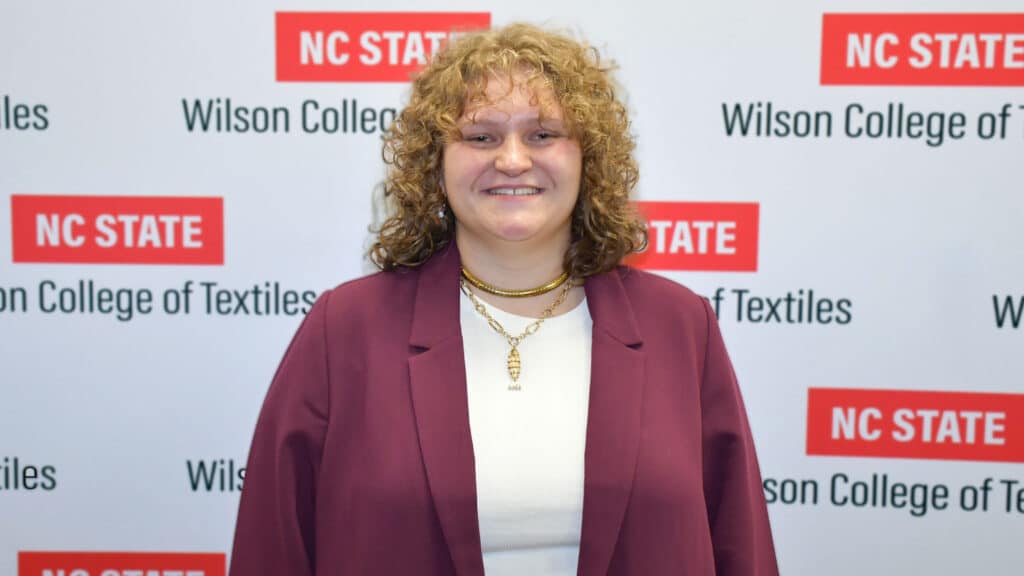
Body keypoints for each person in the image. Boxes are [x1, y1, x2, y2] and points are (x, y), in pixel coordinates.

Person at [229, 23, 778, 576]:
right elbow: (272, 545)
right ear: (434, 164)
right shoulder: (343, 328)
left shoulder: (680, 325)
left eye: (543, 135)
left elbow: (740, 544)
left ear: (588, 157)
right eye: (481, 137)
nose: (513, 160)